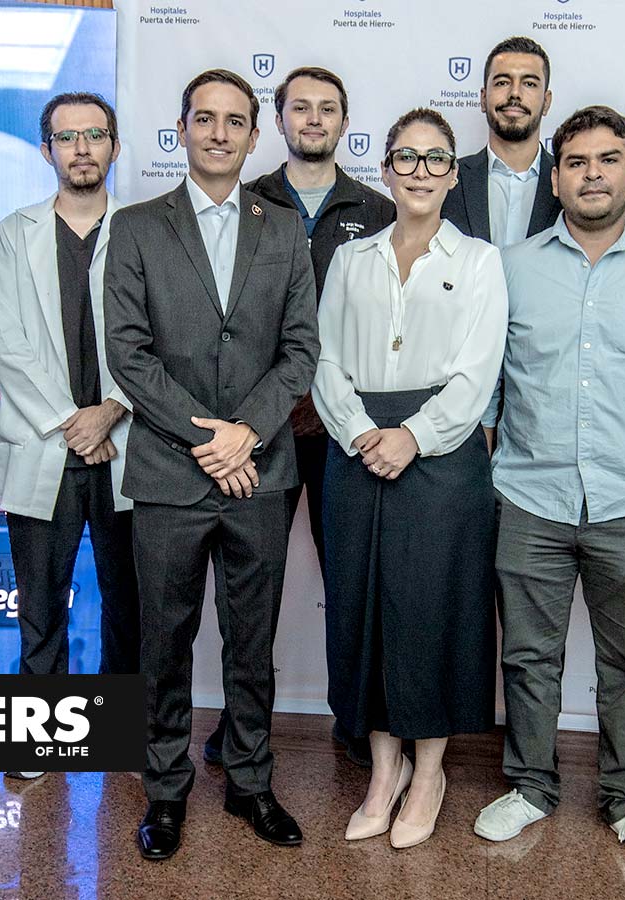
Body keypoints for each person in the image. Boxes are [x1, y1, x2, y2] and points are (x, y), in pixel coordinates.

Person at [474, 105, 625, 869]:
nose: (592, 174)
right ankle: (530, 786)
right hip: (530, 500)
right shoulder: (513, 268)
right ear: (556, 178)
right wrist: (494, 475)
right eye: (576, 162)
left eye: (608, 160)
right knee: (528, 658)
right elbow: (487, 385)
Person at [103, 68, 319, 862]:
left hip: (260, 474)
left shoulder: (283, 229)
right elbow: (128, 353)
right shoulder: (136, 227)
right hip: (171, 473)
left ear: (255, 136)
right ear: (182, 130)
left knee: (251, 642)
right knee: (164, 642)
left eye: (235, 121)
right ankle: (165, 789)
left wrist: (248, 433)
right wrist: (213, 440)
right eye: (205, 118)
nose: (219, 132)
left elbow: (301, 350)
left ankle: (251, 782)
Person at [312, 108, 506, 850]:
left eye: (436, 159)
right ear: (386, 168)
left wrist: (414, 437)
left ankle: (429, 774)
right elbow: (326, 358)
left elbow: (477, 374)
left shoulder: (480, 261)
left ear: (454, 174)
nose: (421, 171)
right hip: (357, 448)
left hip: (443, 457)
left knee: (433, 615)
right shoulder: (350, 259)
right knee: (361, 612)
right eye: (406, 157)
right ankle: (383, 771)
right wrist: (360, 431)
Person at [202, 66, 394, 770]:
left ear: (344, 122)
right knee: (249, 588)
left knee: (353, 582)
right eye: (300, 108)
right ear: (277, 121)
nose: (314, 119)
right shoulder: (246, 200)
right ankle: (240, 724)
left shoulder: (378, 208)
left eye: (328, 108)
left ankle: (356, 719)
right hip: (260, 427)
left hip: (347, 428)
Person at [0, 93, 138, 699]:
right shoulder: (14, 234)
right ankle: (41, 727)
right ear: (46, 150)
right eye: (67, 137)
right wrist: (75, 422)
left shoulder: (145, 231)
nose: (81, 148)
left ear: (115, 147)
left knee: (129, 608)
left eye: (94, 135)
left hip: (125, 445)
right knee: (40, 609)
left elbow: (159, 341)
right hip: (45, 443)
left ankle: (121, 730)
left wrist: (111, 410)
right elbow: (6, 342)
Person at [441, 36, 561, 247]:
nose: (515, 93)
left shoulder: (569, 183)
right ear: (483, 98)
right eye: (502, 82)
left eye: (529, 84)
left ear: (546, 102)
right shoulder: (446, 180)